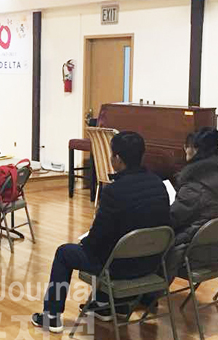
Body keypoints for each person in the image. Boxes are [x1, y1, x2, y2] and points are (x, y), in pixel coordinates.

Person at [31, 131, 170, 333]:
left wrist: (83, 244)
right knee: (117, 245)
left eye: (112, 155)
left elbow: (97, 239)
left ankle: (51, 315)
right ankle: (109, 306)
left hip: (120, 268)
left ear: (118, 159)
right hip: (151, 264)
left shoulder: (114, 191)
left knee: (66, 252)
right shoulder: (158, 184)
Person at [169, 127, 218, 272]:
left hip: (189, 255)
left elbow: (171, 218)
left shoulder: (195, 186)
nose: (185, 149)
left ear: (197, 150)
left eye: (188, 146)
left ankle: (146, 293)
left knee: (149, 241)